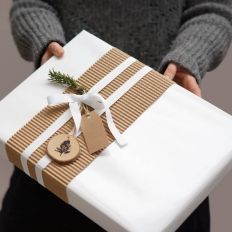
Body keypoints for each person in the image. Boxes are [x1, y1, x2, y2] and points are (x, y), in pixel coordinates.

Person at [0, 0, 231, 231]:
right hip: (64, 126)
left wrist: (189, 55)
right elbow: (30, 3)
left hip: (162, 135)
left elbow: (214, 9)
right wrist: (47, 39)